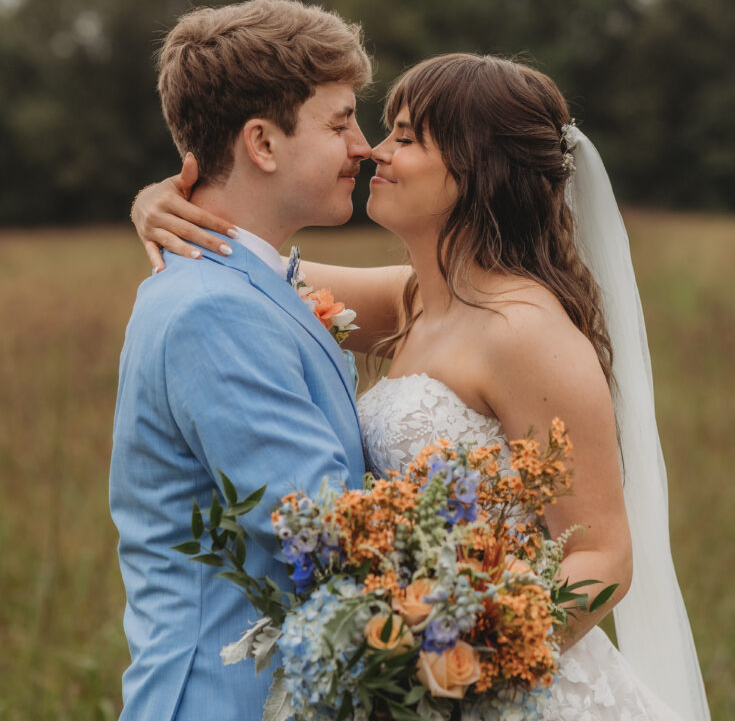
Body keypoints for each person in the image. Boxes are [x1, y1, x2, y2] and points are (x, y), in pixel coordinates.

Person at [133, 53, 711, 721]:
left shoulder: (524, 331)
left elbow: (603, 556)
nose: (374, 151)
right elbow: (249, 266)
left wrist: (460, 671)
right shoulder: (415, 300)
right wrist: (158, 202)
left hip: (502, 689)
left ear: (477, 169)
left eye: (405, 137)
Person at [110, 0, 373, 721]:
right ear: (262, 143)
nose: (364, 146)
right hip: (223, 699)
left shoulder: (245, 282)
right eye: (340, 123)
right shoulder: (213, 308)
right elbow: (324, 530)